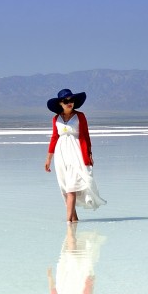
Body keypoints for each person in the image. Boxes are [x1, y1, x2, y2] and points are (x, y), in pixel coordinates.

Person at [44, 88, 104, 222]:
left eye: (71, 100)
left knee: (72, 187)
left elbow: (86, 136)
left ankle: (67, 222)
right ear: (60, 103)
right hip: (61, 154)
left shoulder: (80, 116)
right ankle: (74, 219)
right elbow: (54, 137)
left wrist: (89, 154)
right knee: (65, 186)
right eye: (66, 101)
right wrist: (48, 159)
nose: (69, 103)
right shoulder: (56, 119)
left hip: (76, 152)